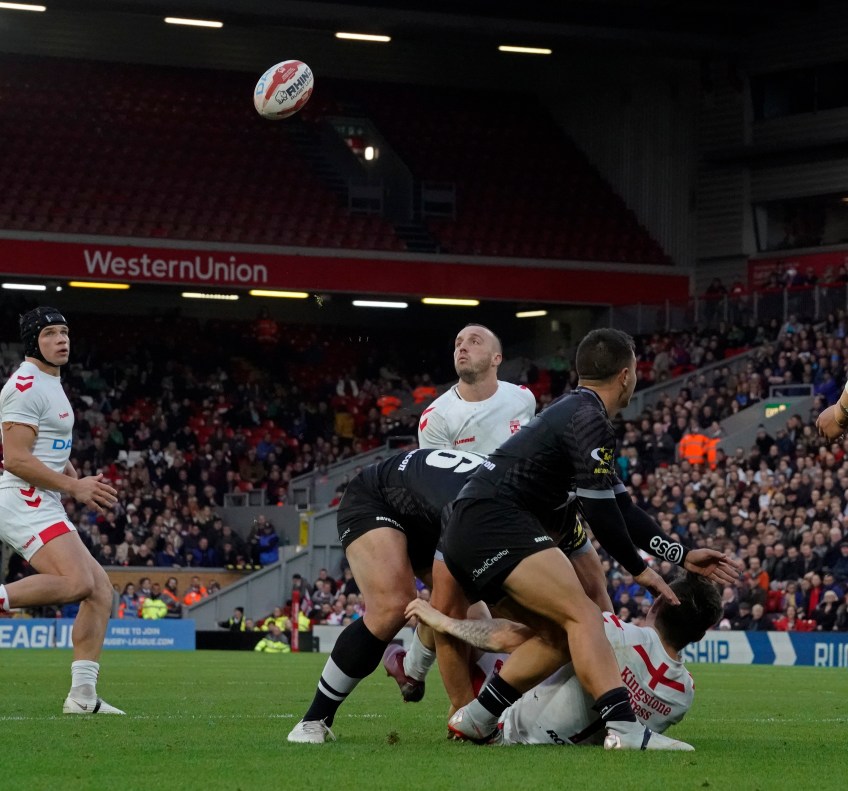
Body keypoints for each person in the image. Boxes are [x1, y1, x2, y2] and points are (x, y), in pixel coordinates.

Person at [440, 328, 698, 750]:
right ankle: (624, 728)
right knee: (584, 615)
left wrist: (681, 554)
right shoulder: (590, 419)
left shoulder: (575, 411)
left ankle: (477, 718)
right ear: (626, 375)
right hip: (495, 523)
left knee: (560, 635)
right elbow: (600, 513)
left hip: (469, 529)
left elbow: (623, 508)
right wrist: (640, 571)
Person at [405, 572, 722, 747]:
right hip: (566, 742)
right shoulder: (683, 695)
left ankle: (413, 671)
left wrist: (445, 622)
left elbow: (506, 639)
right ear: (698, 636)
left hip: (504, 728)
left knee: (455, 604)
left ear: (656, 604)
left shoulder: (607, 629)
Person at [392, 323, 537, 704]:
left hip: (515, 517)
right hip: (461, 521)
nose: (462, 347)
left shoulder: (523, 399)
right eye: (458, 342)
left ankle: (410, 668)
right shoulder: (437, 416)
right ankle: (461, 707)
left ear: (496, 357)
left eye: (474, 341)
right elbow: (436, 486)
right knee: (454, 608)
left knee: (474, 612)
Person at [0, 307, 123, 715]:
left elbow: (46, 444)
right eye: (50, 333)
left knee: (100, 590)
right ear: (32, 341)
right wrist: (74, 487)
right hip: (22, 497)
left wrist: (72, 475)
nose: (62, 340)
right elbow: (16, 459)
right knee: (77, 582)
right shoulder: (25, 386)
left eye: (65, 332)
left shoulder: (50, 382)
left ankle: (82, 697)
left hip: (41, 498)